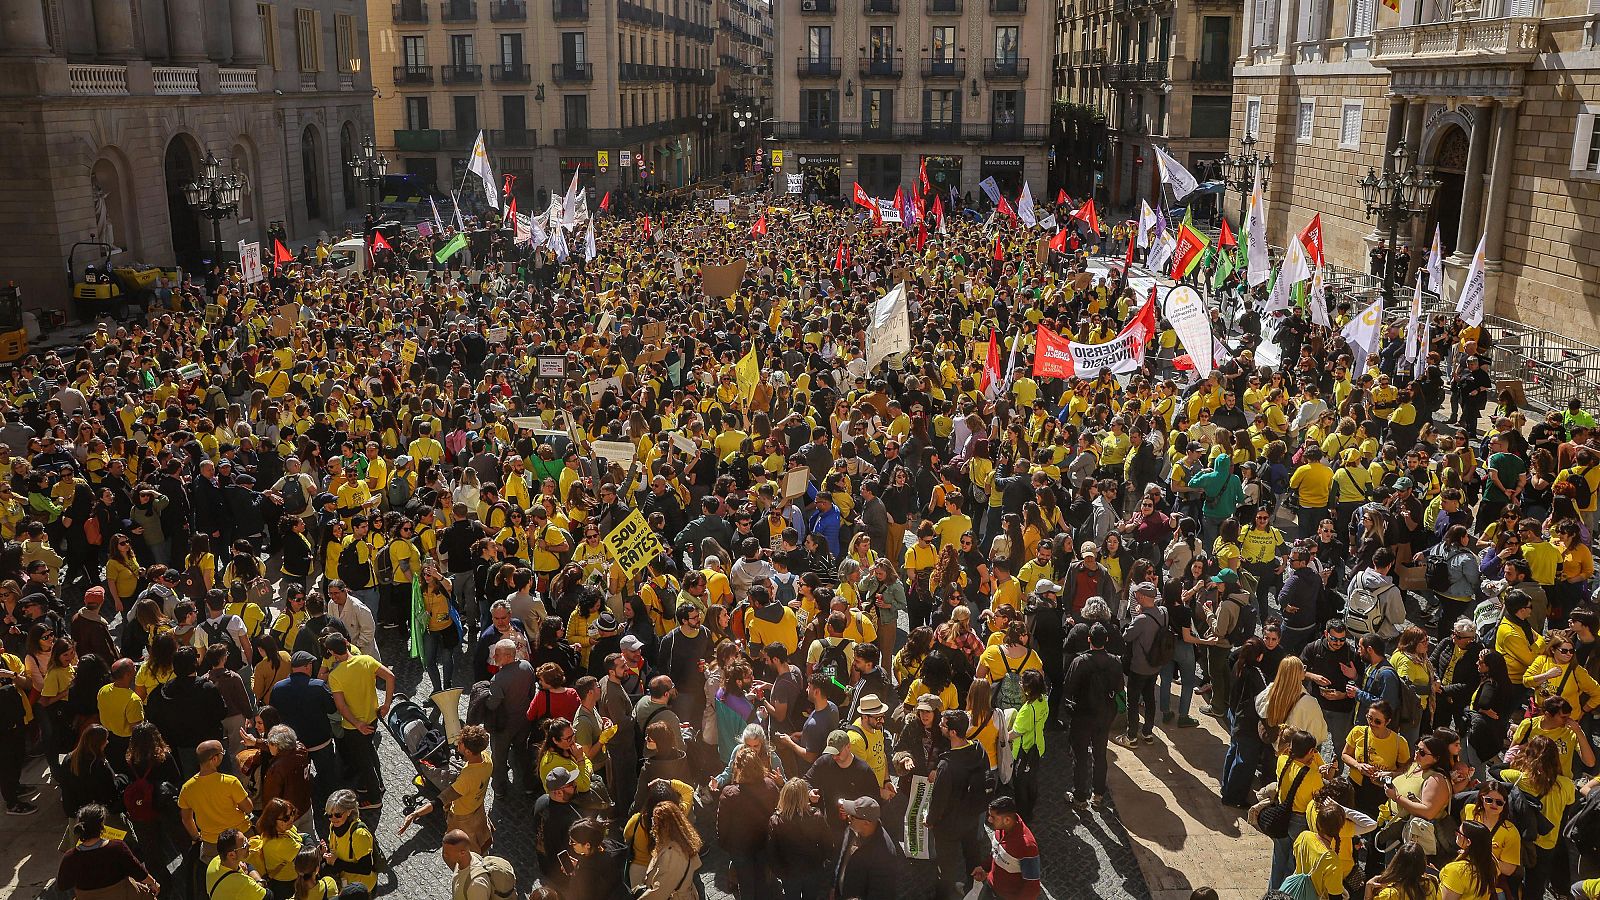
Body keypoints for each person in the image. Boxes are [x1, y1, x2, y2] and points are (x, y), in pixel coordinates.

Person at [1063, 623, 1124, 809]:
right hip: (1104, 715)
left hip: (1082, 714)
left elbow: (1068, 690)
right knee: (1100, 755)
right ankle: (1098, 795)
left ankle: (1080, 796)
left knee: (1080, 757)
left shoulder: (1079, 662)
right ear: (1106, 640)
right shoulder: (1115, 662)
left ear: (1089, 639)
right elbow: (1120, 691)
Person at [54, 802, 161, 898]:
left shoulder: (70, 857)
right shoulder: (117, 847)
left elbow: (63, 885)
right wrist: (154, 883)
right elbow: (137, 871)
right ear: (102, 825)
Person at [831, 796, 902, 900]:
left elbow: (882, 893)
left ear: (866, 823)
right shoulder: (852, 829)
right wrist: (835, 886)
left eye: (853, 816)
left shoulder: (884, 853)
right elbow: (842, 860)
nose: (848, 818)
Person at [638, 797, 702, 900]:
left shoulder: (671, 853)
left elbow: (660, 890)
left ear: (664, 826)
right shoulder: (682, 839)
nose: (653, 826)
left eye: (655, 822)